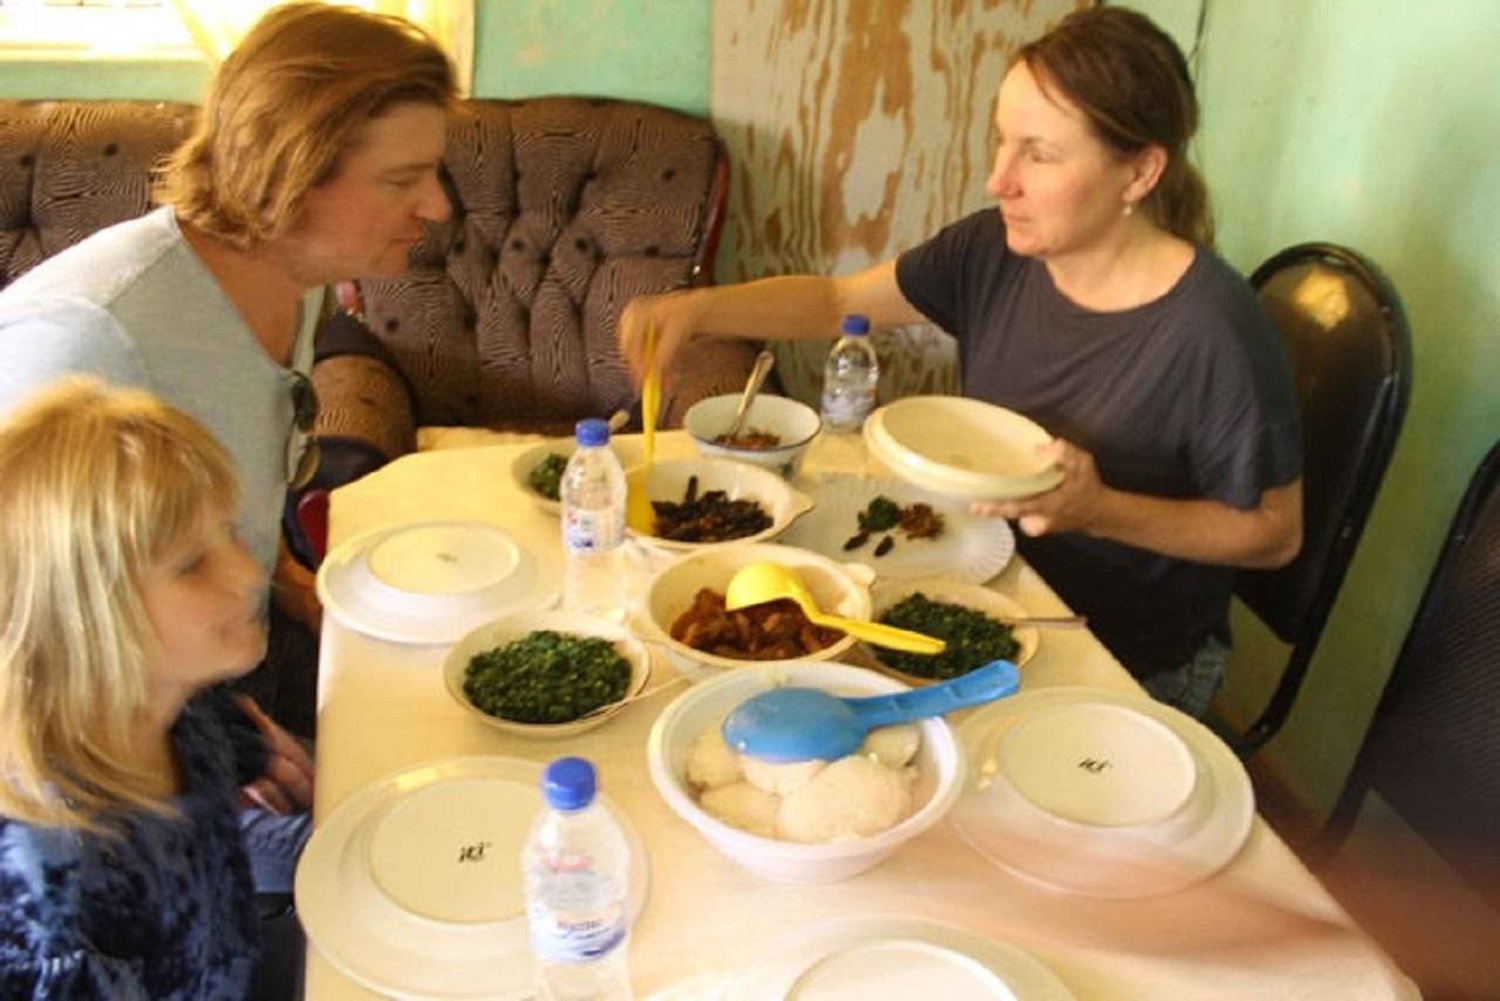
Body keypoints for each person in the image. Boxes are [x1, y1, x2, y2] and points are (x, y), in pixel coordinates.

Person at [617, 7, 1304, 718]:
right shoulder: (996, 249)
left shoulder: (1212, 329)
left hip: (1124, 659)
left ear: (1139, 172)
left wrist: (1098, 509)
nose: (997, 180)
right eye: (1002, 142)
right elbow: (833, 301)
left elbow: (1274, 534)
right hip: (991, 595)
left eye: (1039, 154)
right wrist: (696, 310)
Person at [0, 2, 458, 737]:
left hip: (234, 667)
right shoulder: (91, 340)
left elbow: (238, 463)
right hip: (121, 741)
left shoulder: (293, 281)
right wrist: (210, 751)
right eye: (401, 179)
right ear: (292, 170)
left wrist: (284, 580)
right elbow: (23, 647)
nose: (435, 206)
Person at [0, 379, 315, 999]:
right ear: (87, 621)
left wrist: (260, 752)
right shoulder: (59, 901)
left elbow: (252, 756)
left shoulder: (177, 705)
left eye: (228, 531)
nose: (248, 573)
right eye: (192, 564)